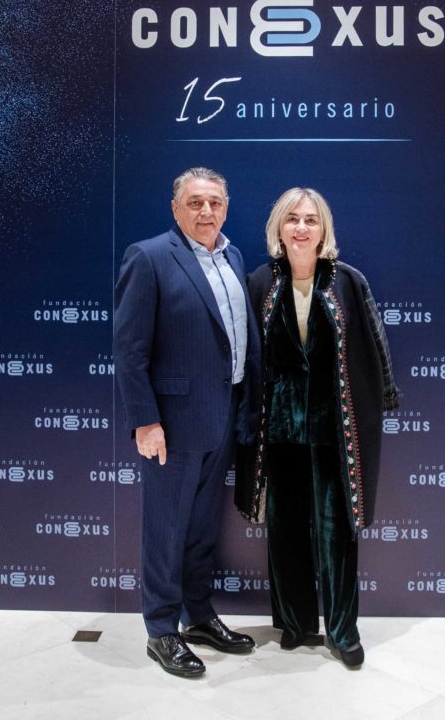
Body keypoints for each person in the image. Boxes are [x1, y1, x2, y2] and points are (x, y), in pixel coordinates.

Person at [236, 187, 399, 669]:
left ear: (323, 228)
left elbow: (375, 343)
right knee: (284, 529)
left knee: (336, 532)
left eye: (310, 219)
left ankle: (344, 632)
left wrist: (386, 393)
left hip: (335, 429)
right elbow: (246, 354)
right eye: (293, 219)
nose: (301, 228)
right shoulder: (259, 281)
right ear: (279, 228)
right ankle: (295, 624)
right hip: (279, 428)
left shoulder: (347, 281)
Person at [113, 167, 260, 678]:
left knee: (201, 528)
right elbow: (129, 351)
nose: (206, 211)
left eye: (215, 202)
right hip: (172, 425)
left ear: (226, 207)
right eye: (195, 202)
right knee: (165, 529)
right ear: (176, 209)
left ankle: (198, 615)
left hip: (224, 416)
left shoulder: (234, 256)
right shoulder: (149, 257)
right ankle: (160, 630)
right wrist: (145, 421)